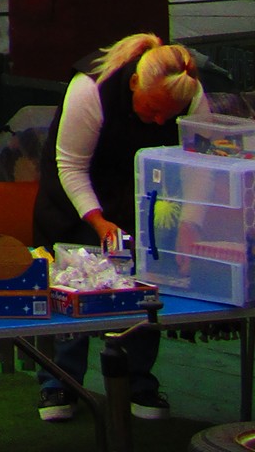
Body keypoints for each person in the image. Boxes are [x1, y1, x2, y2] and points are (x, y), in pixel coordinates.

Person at [32, 34, 206, 423]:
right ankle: (59, 381)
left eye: (169, 115)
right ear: (133, 85)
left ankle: (138, 380)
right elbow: (71, 167)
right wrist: (98, 220)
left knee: (144, 286)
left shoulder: (189, 91)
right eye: (154, 110)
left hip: (146, 194)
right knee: (70, 282)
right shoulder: (90, 88)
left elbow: (200, 166)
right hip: (76, 191)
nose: (161, 121)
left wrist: (190, 223)